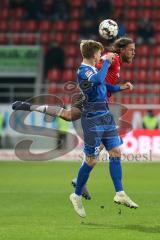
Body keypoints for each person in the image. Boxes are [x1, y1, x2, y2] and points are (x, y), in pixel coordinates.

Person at [12, 37, 138, 204]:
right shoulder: (110, 59)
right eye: (131, 49)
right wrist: (99, 58)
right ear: (122, 50)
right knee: (78, 126)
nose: (134, 53)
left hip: (100, 104)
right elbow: (94, 74)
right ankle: (82, 182)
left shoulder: (114, 62)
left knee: (95, 142)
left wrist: (119, 87)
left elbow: (101, 80)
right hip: (90, 102)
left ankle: (82, 181)